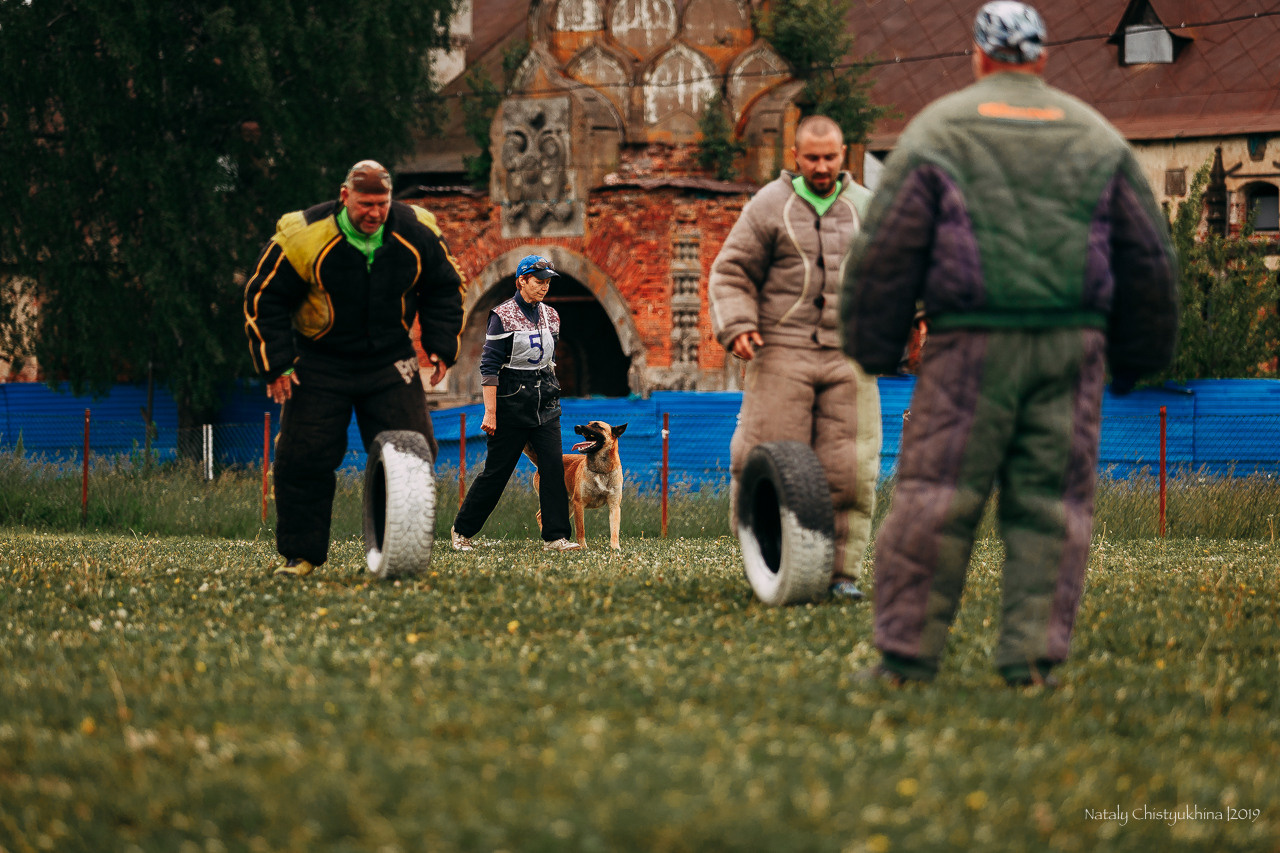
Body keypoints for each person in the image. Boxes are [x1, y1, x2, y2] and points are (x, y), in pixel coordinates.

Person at [840, 1, 1178, 686]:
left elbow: (887, 249)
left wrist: (874, 344)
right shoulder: (1095, 135)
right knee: (1052, 503)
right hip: (1069, 345)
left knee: (936, 494)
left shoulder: (941, 130)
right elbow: (1148, 257)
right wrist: (1139, 355)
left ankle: (906, 658)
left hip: (971, 342)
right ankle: (1032, 661)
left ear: (979, 56)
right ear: (1043, 57)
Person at [243, 160, 466, 577]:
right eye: (365, 204)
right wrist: (276, 364)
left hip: (389, 359)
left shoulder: (417, 230)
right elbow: (263, 296)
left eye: (382, 203)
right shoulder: (303, 235)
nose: (374, 213)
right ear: (345, 197)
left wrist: (439, 345)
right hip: (319, 360)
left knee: (412, 451)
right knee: (301, 456)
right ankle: (301, 556)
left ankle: (394, 553)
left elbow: (446, 285)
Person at [709, 114, 882, 600]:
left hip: (849, 356)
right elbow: (731, 272)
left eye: (830, 157)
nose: (822, 166)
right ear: (796, 156)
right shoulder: (769, 205)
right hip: (780, 352)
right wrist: (738, 324)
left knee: (849, 469)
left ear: (843, 154)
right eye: (812, 158)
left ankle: (841, 577)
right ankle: (771, 565)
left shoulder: (868, 207)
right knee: (765, 458)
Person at [450, 255, 581, 553]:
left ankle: (556, 537)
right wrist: (491, 412)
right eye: (538, 282)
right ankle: (462, 531)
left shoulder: (552, 315)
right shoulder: (502, 315)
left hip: (545, 403)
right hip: (511, 405)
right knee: (497, 473)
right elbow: (489, 367)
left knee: (552, 468)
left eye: (547, 282)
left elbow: (549, 360)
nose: (544, 287)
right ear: (521, 281)